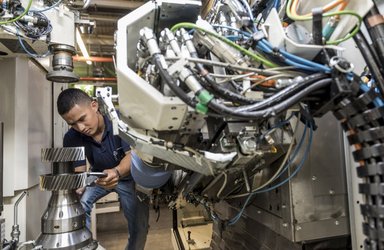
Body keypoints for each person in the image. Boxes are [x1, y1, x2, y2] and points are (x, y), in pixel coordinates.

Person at [56, 88, 149, 250]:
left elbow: (132, 156)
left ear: (94, 105)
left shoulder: (119, 121)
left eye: (82, 119)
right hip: (97, 177)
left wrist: (117, 172)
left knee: (139, 226)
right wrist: (79, 185)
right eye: (73, 124)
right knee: (80, 205)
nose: (80, 127)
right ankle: (88, 247)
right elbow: (80, 168)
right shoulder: (71, 137)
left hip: (129, 178)